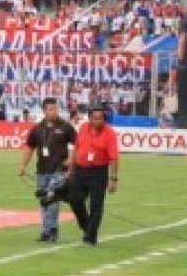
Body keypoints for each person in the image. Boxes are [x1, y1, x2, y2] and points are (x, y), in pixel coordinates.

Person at [18, 97, 77, 242]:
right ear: (44, 111)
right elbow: (29, 148)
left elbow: (79, 144)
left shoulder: (66, 127)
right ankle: (46, 231)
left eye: (56, 108)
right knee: (44, 201)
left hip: (59, 170)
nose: (54, 111)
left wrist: (72, 160)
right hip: (41, 170)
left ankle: (51, 231)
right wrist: (23, 165)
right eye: (51, 109)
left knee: (53, 200)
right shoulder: (37, 129)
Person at [67, 105, 119, 245]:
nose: (98, 121)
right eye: (95, 118)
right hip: (80, 170)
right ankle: (87, 227)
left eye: (101, 118)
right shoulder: (83, 128)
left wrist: (113, 179)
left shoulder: (110, 133)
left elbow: (113, 157)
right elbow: (76, 149)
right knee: (74, 199)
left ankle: (90, 237)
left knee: (96, 205)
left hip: (98, 172)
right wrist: (71, 170)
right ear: (89, 118)